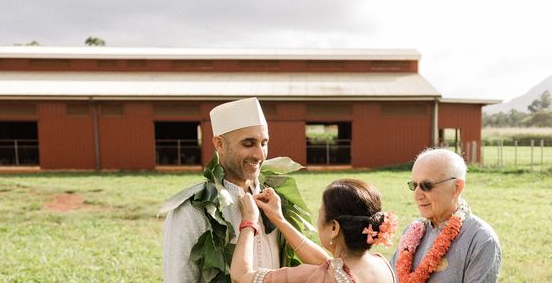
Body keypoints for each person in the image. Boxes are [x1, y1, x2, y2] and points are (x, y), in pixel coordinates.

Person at [161, 97, 281, 282]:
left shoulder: (273, 201)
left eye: (264, 143)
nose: (259, 154)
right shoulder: (192, 211)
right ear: (219, 144)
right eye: (248, 143)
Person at [230, 178, 399, 283]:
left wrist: (249, 220)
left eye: (320, 212)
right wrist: (279, 219)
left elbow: (241, 276)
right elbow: (326, 263)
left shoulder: (314, 277)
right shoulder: (382, 264)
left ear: (334, 228)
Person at [392, 148, 501, 282]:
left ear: (456, 188)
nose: (417, 195)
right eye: (414, 185)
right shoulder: (411, 231)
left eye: (426, 185)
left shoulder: (481, 239)